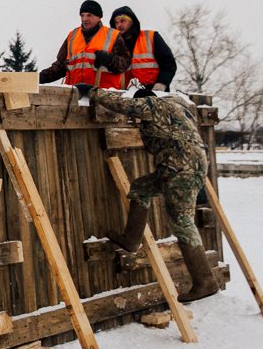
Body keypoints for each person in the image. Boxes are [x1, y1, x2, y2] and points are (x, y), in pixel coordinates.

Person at [93, 87, 219, 303]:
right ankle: (131, 239)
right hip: (179, 168)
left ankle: (205, 280)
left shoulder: (153, 105)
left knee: (182, 221)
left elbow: (123, 105)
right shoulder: (178, 107)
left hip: (181, 170)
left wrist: (94, 92)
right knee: (141, 188)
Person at [38, 0, 130, 89]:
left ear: (99, 17)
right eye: (82, 15)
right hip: (74, 95)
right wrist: (41, 77)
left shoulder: (112, 35)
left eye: (89, 15)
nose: (85, 19)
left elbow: (125, 63)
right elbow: (60, 66)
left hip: (102, 96)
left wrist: (109, 59)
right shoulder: (72, 36)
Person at [108, 5, 177, 91]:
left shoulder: (151, 37)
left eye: (123, 21)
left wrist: (161, 84)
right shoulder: (112, 44)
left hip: (153, 92)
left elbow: (169, 64)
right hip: (125, 95)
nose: (119, 25)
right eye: (116, 22)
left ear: (132, 21)